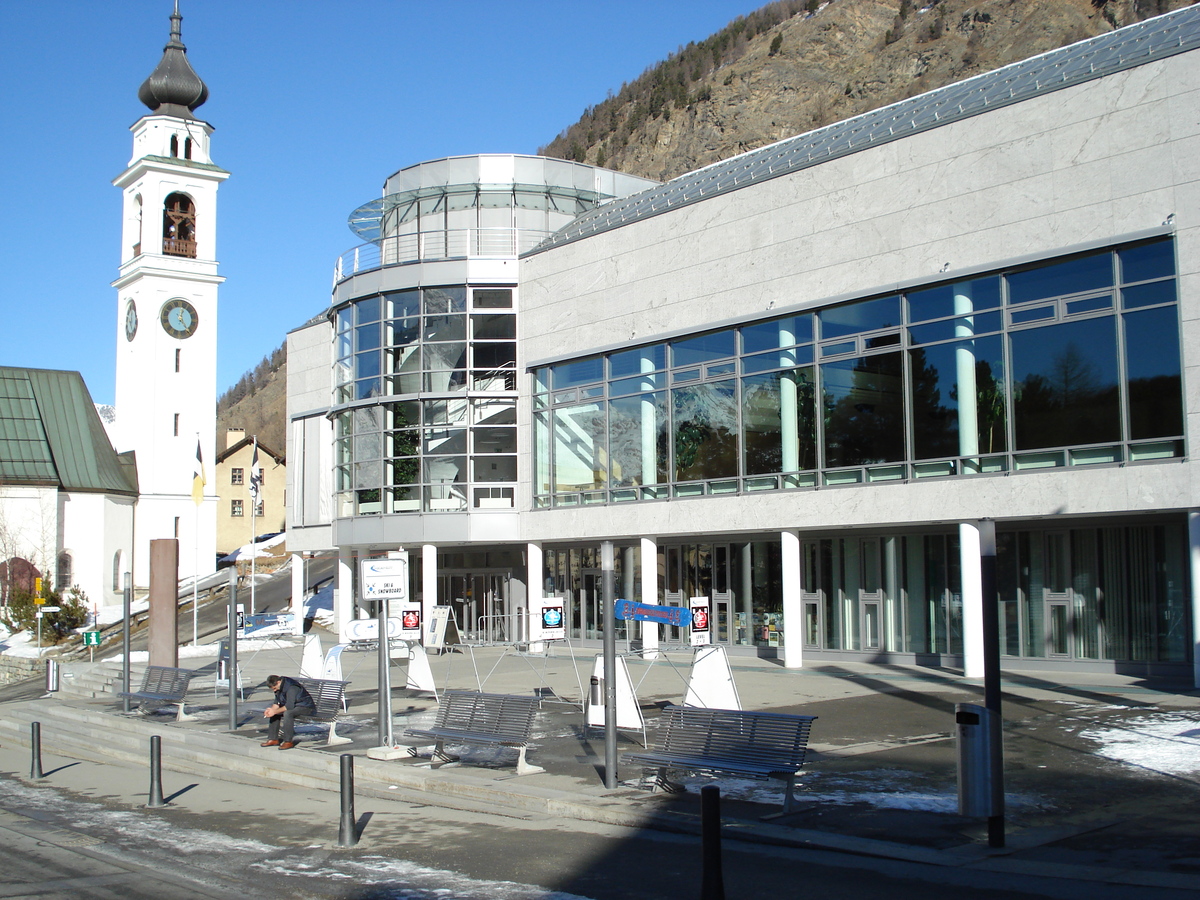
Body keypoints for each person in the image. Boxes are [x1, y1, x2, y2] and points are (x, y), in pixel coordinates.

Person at [261, 674, 315, 750]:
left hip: (306, 707)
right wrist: (271, 710)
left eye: (274, 688)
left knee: (288, 713)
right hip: (295, 706)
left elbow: (289, 706)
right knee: (275, 713)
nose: (274, 690)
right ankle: (273, 739)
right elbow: (277, 702)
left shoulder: (292, 687)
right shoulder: (279, 688)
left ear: (279, 682)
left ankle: (288, 741)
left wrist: (275, 711)